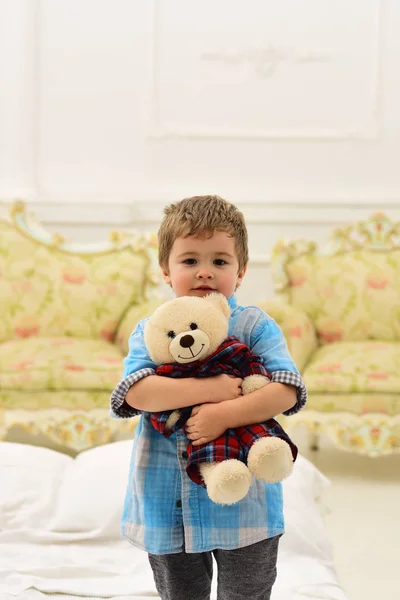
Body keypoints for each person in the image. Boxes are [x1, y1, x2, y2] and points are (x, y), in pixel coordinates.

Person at [110, 195, 307, 600]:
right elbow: (140, 393)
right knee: (180, 593)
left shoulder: (253, 325)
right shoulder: (151, 330)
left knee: (248, 591)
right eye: (189, 261)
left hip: (244, 501)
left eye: (219, 261)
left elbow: (285, 390)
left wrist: (225, 414)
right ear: (166, 271)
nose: (204, 273)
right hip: (169, 502)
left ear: (241, 271)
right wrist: (211, 390)